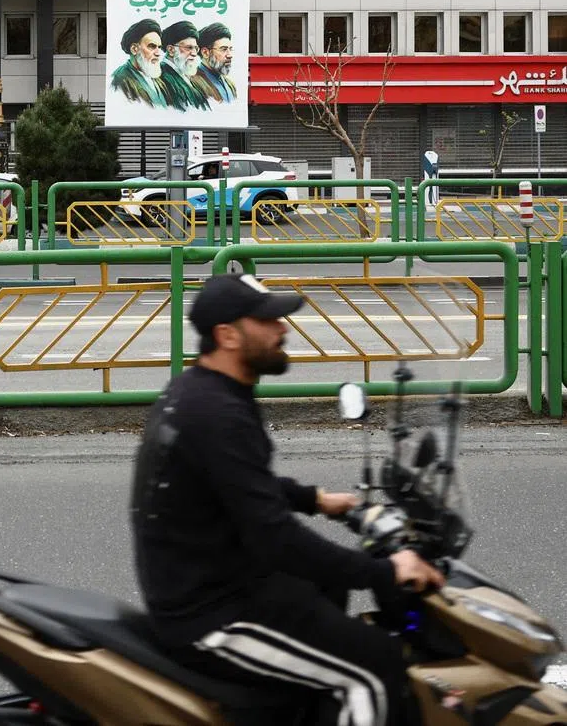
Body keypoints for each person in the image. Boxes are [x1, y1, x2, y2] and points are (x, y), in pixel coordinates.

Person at [130, 274, 444, 726]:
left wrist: (315, 499)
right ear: (228, 335)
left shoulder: (201, 392)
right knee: (376, 667)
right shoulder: (218, 414)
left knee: (325, 588)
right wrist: (385, 570)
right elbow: (276, 538)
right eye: (268, 321)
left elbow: (234, 485)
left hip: (216, 581)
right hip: (211, 616)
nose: (283, 329)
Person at [110, 18, 178, 108]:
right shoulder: (120, 81)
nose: (158, 53)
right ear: (134, 49)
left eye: (159, 47)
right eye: (152, 46)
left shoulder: (158, 80)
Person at [160, 20, 212, 111]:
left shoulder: (185, 74)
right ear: (171, 50)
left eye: (196, 48)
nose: (194, 53)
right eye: (189, 48)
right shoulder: (162, 78)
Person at [194, 21, 238, 102]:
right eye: (223, 49)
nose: (229, 55)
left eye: (230, 49)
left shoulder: (230, 85)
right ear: (205, 52)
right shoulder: (194, 85)